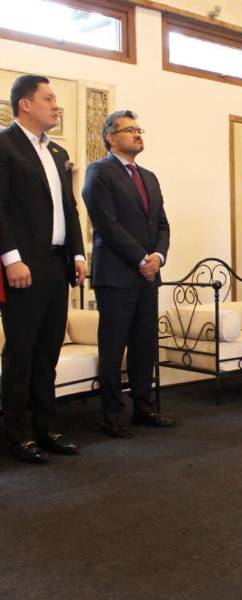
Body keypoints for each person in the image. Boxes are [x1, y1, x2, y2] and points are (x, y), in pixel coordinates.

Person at [0, 74, 86, 463]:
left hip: (57, 264)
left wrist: (78, 254)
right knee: (21, 353)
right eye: (48, 99)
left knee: (48, 352)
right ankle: (16, 436)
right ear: (25, 104)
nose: (56, 105)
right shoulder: (5, 145)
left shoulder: (56, 151)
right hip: (23, 266)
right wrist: (11, 258)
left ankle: (46, 429)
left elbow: (70, 208)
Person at [82, 110, 174, 438]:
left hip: (148, 275)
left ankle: (144, 407)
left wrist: (158, 257)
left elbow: (161, 223)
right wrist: (140, 258)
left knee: (144, 344)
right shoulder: (99, 171)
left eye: (139, 129)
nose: (137, 134)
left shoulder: (149, 176)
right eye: (130, 130)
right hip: (117, 275)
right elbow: (106, 224)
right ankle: (111, 415)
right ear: (111, 137)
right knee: (114, 346)